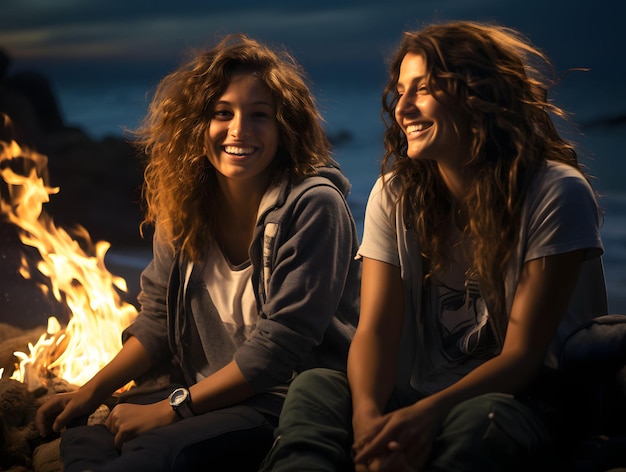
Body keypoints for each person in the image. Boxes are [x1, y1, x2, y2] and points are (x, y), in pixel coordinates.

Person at [259, 20, 608, 471]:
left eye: (422, 89)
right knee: (316, 387)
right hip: (417, 397)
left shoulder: (555, 192)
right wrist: (368, 421)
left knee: (481, 419)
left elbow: (523, 358)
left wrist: (419, 419)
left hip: (526, 402)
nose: (402, 108)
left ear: (479, 94)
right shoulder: (397, 192)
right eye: (400, 91)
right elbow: (376, 331)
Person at [34, 34, 361, 471]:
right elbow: (157, 321)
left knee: (152, 453)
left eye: (259, 115)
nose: (238, 130)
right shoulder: (187, 202)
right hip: (201, 392)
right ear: (196, 123)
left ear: (285, 128)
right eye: (222, 113)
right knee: (85, 438)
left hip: (283, 402)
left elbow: (278, 350)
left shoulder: (314, 206)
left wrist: (170, 410)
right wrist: (90, 391)